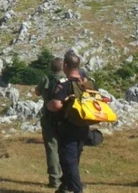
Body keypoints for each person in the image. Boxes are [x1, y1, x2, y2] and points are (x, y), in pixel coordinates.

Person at [46, 51, 94, 193]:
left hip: (68, 128)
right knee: (73, 158)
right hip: (84, 126)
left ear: (65, 66)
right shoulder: (87, 83)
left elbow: (56, 105)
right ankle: (64, 187)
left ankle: (77, 190)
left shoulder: (65, 84)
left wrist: (49, 104)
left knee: (69, 162)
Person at [35, 57, 66, 189]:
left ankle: (54, 180)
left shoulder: (45, 78)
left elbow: (37, 92)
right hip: (65, 118)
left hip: (48, 117)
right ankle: (68, 177)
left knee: (51, 148)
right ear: (63, 66)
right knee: (66, 148)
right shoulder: (67, 79)